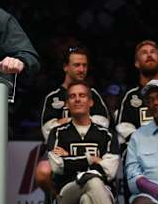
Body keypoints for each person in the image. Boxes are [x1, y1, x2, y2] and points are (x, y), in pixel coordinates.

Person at [48, 81, 142, 204]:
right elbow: (56, 165)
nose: (77, 99)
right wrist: (91, 159)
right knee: (92, 179)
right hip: (68, 192)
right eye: (72, 96)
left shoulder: (106, 134)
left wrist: (70, 158)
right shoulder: (57, 133)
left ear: (91, 102)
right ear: (68, 104)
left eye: (82, 95)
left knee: (88, 198)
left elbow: (110, 171)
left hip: (103, 193)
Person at [36, 45, 109, 193]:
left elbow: (103, 125)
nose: (81, 69)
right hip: (59, 149)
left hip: (90, 145)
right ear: (65, 67)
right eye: (77, 65)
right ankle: (56, 202)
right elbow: (47, 131)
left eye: (84, 65)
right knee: (43, 171)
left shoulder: (93, 94)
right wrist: (81, 120)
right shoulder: (53, 97)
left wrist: (67, 122)